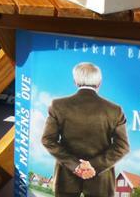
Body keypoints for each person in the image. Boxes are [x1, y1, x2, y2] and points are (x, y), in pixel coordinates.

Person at [41, 62, 129, 197]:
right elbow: (122, 147)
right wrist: (93, 165)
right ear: (99, 83)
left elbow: (48, 140)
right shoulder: (115, 110)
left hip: (66, 178)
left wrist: (75, 165)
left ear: (75, 81)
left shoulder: (58, 105)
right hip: (101, 182)